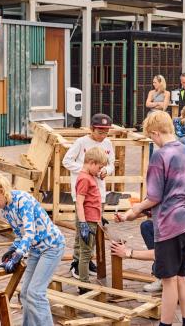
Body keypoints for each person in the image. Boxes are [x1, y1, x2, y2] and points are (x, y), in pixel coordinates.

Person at [115, 111, 185, 326]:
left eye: (151, 137)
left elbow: (153, 197)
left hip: (169, 225)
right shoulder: (184, 149)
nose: (152, 141)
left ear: (155, 132)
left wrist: (133, 211)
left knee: (168, 281)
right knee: (182, 276)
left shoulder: (160, 156)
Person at [0, 169, 65, 326]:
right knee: (25, 293)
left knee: (36, 293)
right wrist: (13, 250)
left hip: (51, 247)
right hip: (36, 249)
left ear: (0, 191)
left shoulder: (22, 201)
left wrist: (18, 255)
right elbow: (20, 235)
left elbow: (30, 233)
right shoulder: (6, 210)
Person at [114, 205, 185, 296]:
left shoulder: (179, 218)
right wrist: (124, 216)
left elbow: (162, 253)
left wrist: (128, 253)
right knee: (147, 226)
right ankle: (162, 276)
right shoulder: (162, 202)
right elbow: (137, 210)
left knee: (166, 268)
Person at [62, 113, 115, 276]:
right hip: (83, 193)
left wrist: (106, 171)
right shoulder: (81, 142)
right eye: (100, 132)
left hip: (99, 193)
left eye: (106, 132)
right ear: (92, 129)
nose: (103, 135)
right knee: (82, 228)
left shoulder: (108, 143)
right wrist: (87, 170)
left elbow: (111, 164)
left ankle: (87, 258)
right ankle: (77, 262)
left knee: (94, 228)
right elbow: (66, 161)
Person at [73, 147, 107, 287]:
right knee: (86, 253)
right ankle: (84, 285)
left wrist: (99, 217)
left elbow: (92, 201)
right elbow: (79, 203)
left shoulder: (90, 176)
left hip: (92, 219)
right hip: (87, 221)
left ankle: (84, 281)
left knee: (88, 251)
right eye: (99, 167)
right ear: (92, 163)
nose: (99, 171)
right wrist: (83, 224)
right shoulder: (84, 179)